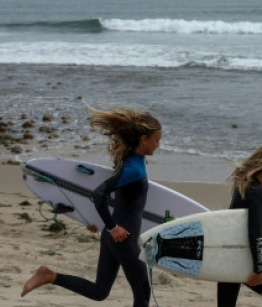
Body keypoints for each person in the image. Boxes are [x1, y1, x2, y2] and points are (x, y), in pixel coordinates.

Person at [21, 105, 162, 307]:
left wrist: (106, 226)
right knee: (142, 295)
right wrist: (113, 227)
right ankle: (49, 275)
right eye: (157, 140)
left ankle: (50, 276)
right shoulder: (134, 169)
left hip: (113, 237)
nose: (158, 144)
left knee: (100, 291)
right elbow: (98, 194)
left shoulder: (130, 161)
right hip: (123, 239)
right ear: (144, 139)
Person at [217, 145, 262, 307]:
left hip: (227, 256)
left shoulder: (242, 185)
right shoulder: (257, 191)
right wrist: (258, 269)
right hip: (240, 260)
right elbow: (254, 232)